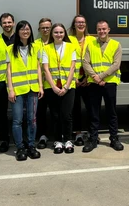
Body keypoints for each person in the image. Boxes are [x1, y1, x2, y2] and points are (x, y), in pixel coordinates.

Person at [82, 20, 124, 152]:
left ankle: (114, 139)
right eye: (99, 29)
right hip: (94, 83)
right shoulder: (90, 44)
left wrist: (101, 76)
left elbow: (116, 64)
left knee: (112, 112)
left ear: (109, 30)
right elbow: (85, 63)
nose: (102, 31)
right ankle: (93, 139)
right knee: (94, 112)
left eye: (104, 29)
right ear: (96, 30)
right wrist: (95, 77)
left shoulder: (116, 45)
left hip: (109, 83)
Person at [6, 20, 43, 161]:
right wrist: (10, 89)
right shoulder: (10, 49)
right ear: (18, 32)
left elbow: (38, 68)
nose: (25, 32)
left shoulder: (35, 48)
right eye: (22, 29)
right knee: (17, 120)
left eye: (27, 29)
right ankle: (20, 147)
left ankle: (31, 146)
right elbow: (8, 71)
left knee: (32, 119)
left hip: (33, 89)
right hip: (18, 90)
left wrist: (40, 86)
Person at [42, 23, 77, 154]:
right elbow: (45, 69)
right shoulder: (46, 48)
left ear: (64, 34)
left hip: (68, 87)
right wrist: (53, 87)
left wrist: (66, 87)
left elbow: (72, 68)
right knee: (55, 115)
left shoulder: (71, 47)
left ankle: (68, 140)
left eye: (61, 32)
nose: (58, 35)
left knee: (66, 115)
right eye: (56, 32)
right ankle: (57, 141)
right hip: (52, 87)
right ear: (52, 34)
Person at [68, 15, 97, 146]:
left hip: (88, 79)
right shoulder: (68, 40)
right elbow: (66, 61)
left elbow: (95, 60)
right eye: (78, 22)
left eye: (83, 22)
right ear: (74, 25)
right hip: (74, 79)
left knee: (92, 107)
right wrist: (74, 79)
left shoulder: (92, 39)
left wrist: (89, 77)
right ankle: (77, 133)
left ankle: (92, 133)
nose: (80, 25)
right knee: (75, 108)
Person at [0, 13, 15, 153]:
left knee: (19, 114)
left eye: (9, 22)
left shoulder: (19, 39)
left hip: (17, 82)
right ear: (1, 24)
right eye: (4, 23)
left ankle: (20, 139)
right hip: (0, 82)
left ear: (13, 23)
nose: (7, 25)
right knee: (1, 113)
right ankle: (4, 139)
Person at [34, 18, 52, 149]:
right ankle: (42, 136)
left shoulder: (57, 42)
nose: (45, 30)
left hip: (54, 84)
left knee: (56, 112)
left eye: (47, 27)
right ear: (39, 30)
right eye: (43, 27)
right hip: (40, 83)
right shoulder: (34, 44)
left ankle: (58, 134)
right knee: (40, 111)